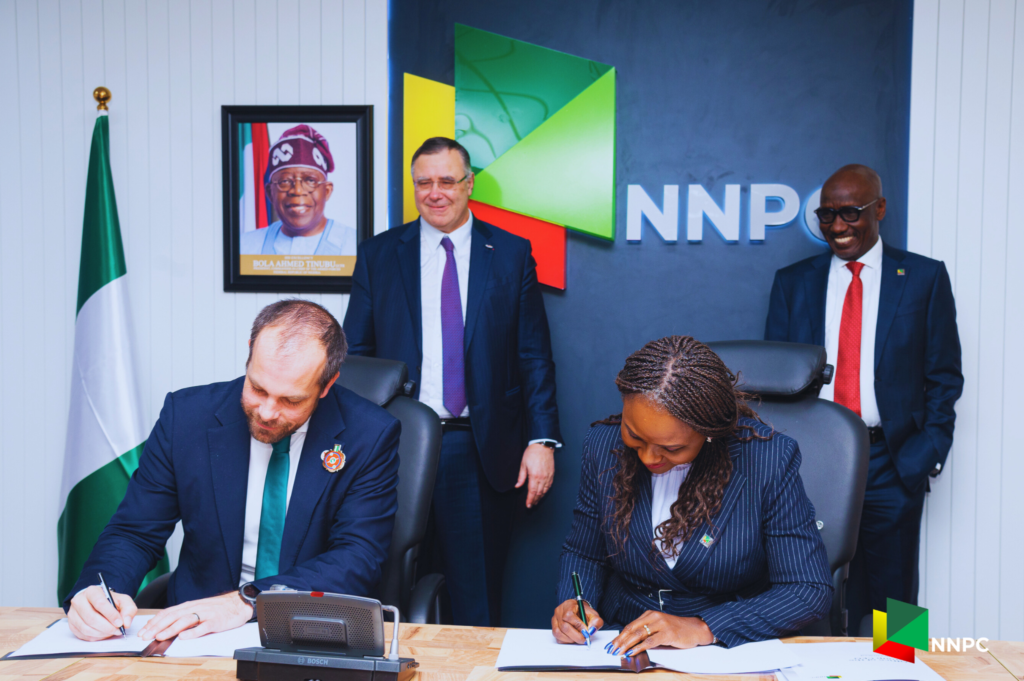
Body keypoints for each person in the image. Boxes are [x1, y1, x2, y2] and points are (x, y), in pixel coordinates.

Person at [64, 300, 400, 642]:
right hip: (193, 636)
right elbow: (135, 532)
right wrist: (98, 594)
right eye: (257, 388)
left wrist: (248, 601)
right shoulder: (186, 418)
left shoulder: (369, 436)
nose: (267, 412)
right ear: (250, 352)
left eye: (291, 401)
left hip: (311, 631)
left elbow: (358, 557)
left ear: (327, 386)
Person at [343, 137, 561, 627]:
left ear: (469, 184)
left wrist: (541, 439)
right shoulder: (380, 255)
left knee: (475, 597)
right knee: (387, 591)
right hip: (393, 448)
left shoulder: (508, 254)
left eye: (447, 180)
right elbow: (354, 356)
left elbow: (533, 355)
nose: (435, 192)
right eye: (424, 182)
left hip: (478, 448)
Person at [765, 164, 963, 633]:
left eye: (850, 213)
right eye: (826, 215)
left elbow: (944, 376)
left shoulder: (923, 278)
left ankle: (899, 665)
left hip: (891, 459)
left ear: (879, 209)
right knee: (800, 585)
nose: (837, 227)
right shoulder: (793, 282)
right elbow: (773, 379)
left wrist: (925, 454)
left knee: (895, 597)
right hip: (809, 458)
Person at [552, 336, 832, 651]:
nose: (648, 458)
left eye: (672, 448)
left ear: (709, 433)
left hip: (724, 648)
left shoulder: (767, 461)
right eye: (634, 435)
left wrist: (705, 627)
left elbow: (807, 590)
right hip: (620, 642)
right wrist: (576, 604)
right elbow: (584, 552)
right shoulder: (603, 447)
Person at [240, 124, 357, 256]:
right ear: (270, 193)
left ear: (327, 191)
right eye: (284, 181)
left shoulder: (356, 246)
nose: (298, 191)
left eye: (310, 181)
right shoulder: (244, 247)